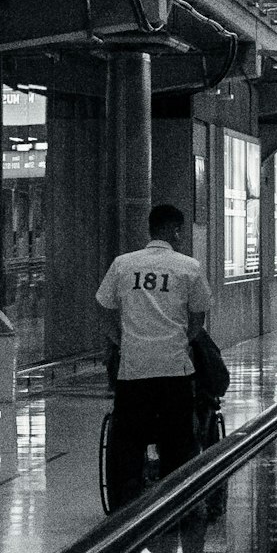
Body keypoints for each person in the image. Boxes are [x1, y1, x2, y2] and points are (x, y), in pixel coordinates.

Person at [96, 202, 212, 510]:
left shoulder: (123, 264)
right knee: (178, 441)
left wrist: (121, 341)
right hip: (174, 370)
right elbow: (198, 318)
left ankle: (128, 502)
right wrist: (181, 340)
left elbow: (104, 309)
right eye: (180, 232)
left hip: (133, 372)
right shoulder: (189, 267)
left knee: (129, 439)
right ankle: (176, 505)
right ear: (173, 230)